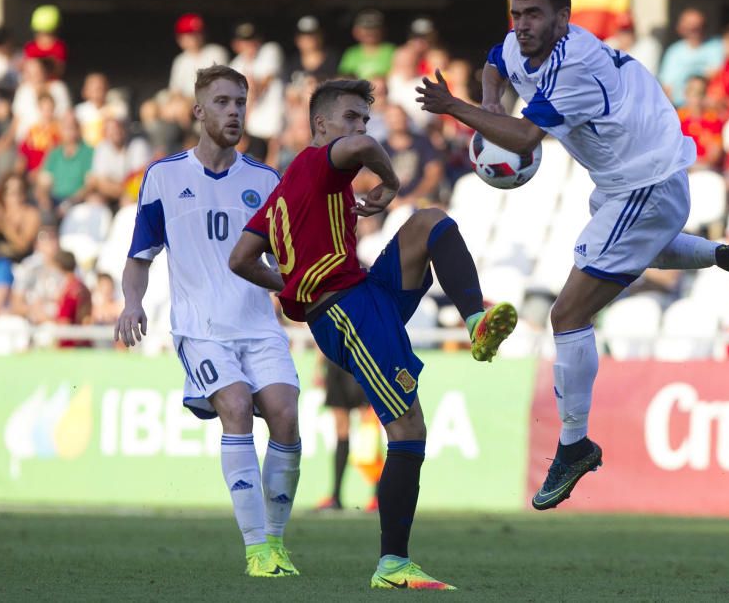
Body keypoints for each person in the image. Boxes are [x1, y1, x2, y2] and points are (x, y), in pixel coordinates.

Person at [416, 0, 729, 511]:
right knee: (637, 250)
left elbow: (524, 137)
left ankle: (574, 445)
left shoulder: (575, 67)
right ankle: (728, 255)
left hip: (647, 182)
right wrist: (489, 100)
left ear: (564, 19)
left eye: (534, 15)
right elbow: (495, 63)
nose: (521, 25)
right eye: (516, 14)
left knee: (567, 315)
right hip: (627, 185)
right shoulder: (520, 45)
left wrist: (457, 109)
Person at [229, 78, 518, 590]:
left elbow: (242, 258)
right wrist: (389, 184)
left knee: (429, 222)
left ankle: (475, 323)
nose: (361, 128)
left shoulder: (285, 192)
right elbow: (363, 150)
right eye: (350, 117)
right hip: (343, 311)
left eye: (365, 118)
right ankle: (392, 565)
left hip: (362, 291)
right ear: (321, 125)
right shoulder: (316, 163)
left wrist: (289, 284)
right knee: (408, 428)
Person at [115, 65, 302, 578]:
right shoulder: (163, 176)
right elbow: (140, 256)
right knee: (237, 405)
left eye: (240, 102)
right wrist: (132, 302)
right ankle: (256, 548)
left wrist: (292, 286)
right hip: (200, 328)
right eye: (222, 102)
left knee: (286, 414)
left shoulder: (266, 180)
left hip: (258, 327)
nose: (234, 111)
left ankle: (277, 544)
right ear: (198, 111)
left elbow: (284, 260)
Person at [314, 356, 374, 512]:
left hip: (360, 360)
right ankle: (336, 496)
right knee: (341, 430)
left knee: (369, 428)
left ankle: (378, 495)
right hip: (335, 361)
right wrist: (318, 367)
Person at [230, 22, 285, 160]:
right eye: (245, 41)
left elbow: (265, 82)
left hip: (278, 129)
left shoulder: (270, 50)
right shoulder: (234, 66)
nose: (250, 45)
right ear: (236, 44)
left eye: (252, 40)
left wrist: (252, 88)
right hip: (251, 131)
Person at [658, 8, 724, 107]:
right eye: (690, 28)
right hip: (679, 108)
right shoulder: (674, 51)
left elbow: (721, 76)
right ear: (680, 28)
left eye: (698, 27)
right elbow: (666, 86)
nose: (694, 31)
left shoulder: (718, 46)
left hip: (709, 110)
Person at [38, 112, 93, 213]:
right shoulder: (54, 153)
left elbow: (90, 184)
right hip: (55, 200)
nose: (68, 132)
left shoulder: (88, 152)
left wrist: (71, 202)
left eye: (72, 128)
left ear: (78, 130)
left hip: (78, 201)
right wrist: (44, 199)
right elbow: (44, 182)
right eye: (65, 128)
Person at [168, 14, 229, 99]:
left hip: (208, 100)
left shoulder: (216, 52)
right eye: (190, 34)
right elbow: (175, 91)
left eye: (197, 33)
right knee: (149, 108)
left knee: (181, 108)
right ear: (179, 38)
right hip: (183, 101)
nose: (194, 38)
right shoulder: (180, 60)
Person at [338, 10, 396, 80]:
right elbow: (344, 77)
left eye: (375, 28)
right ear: (356, 31)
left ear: (383, 30)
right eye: (366, 29)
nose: (371, 32)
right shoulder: (351, 53)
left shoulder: (392, 51)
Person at [283, 16, 339, 86]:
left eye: (312, 35)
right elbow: (288, 90)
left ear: (321, 36)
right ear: (297, 39)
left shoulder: (334, 59)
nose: (308, 39)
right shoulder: (292, 62)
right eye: (304, 35)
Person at [24, 5, 68, 78]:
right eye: (41, 33)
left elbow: (60, 70)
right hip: (33, 82)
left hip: (52, 82)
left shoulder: (59, 47)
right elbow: (27, 69)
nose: (44, 38)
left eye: (48, 34)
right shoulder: (30, 47)